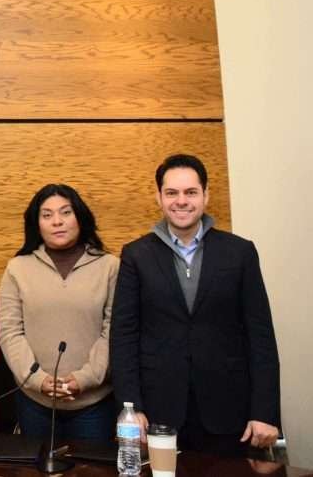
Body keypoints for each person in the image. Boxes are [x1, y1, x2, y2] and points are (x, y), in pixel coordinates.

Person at [110, 154, 280, 457]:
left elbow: (261, 336)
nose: (181, 201)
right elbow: (124, 337)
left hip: (229, 410)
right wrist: (130, 409)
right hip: (160, 410)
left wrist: (265, 412)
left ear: (206, 195)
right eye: (171, 193)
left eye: (191, 192)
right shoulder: (136, 255)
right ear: (159, 197)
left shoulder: (239, 252)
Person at [0, 184, 118, 443]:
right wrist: (37, 380)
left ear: (80, 217)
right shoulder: (18, 268)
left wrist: (85, 378)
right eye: (47, 215)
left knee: (91, 466)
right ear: (36, 224)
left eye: (65, 212)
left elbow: (114, 330)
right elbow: (10, 331)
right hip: (34, 402)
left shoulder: (109, 266)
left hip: (94, 405)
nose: (57, 222)